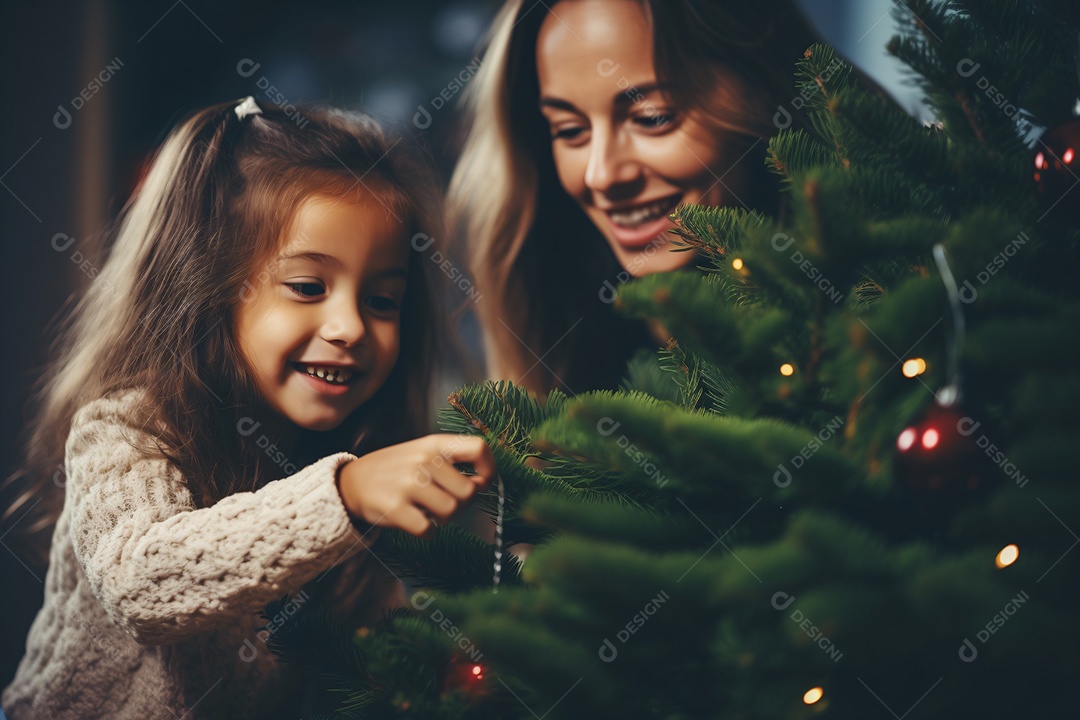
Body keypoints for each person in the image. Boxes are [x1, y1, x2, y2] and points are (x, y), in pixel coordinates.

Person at [1, 97, 495, 720]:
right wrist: (342, 495)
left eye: (382, 300)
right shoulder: (124, 428)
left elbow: (329, 675)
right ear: (208, 288)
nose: (348, 326)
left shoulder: (346, 455)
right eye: (308, 287)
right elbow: (142, 585)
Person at [449, 0, 821, 393]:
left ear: (761, 90)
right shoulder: (572, 362)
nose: (601, 175)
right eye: (570, 129)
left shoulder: (876, 336)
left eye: (652, 118)